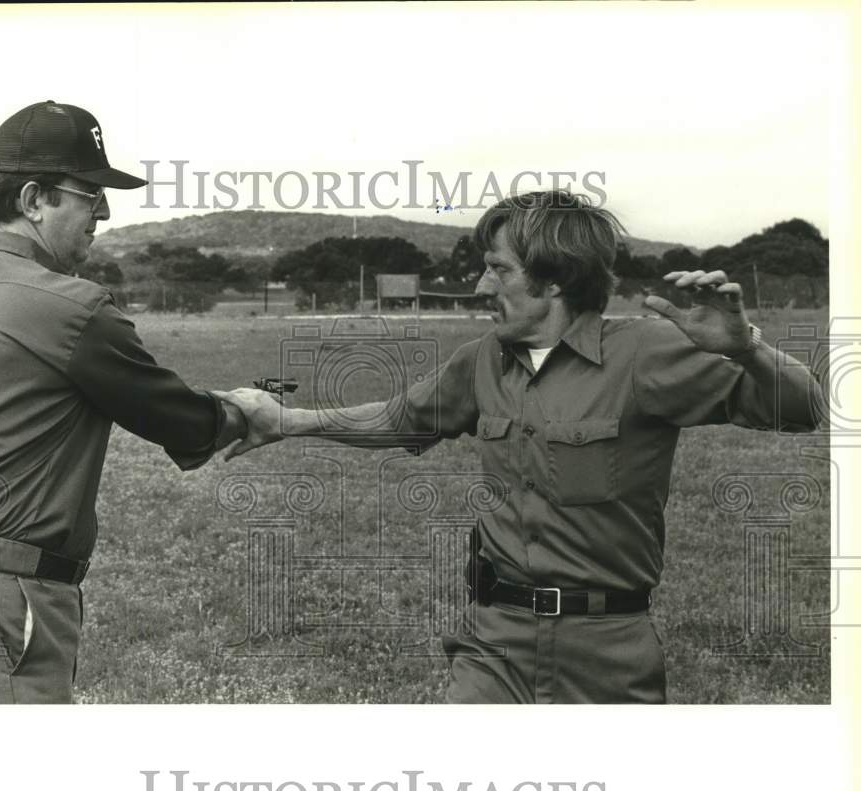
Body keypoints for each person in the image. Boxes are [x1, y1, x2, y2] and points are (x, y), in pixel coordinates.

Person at [213, 190, 822, 704]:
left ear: (553, 278)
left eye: (499, 270)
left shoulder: (646, 354)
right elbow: (402, 417)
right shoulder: (480, 360)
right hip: (494, 641)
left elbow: (802, 410)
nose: (481, 285)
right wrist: (287, 421)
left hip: (608, 648)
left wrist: (748, 351)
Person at [0, 101, 247, 704]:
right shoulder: (73, 306)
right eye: (89, 193)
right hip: (12, 599)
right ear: (34, 200)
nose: (104, 212)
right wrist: (243, 410)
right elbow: (188, 424)